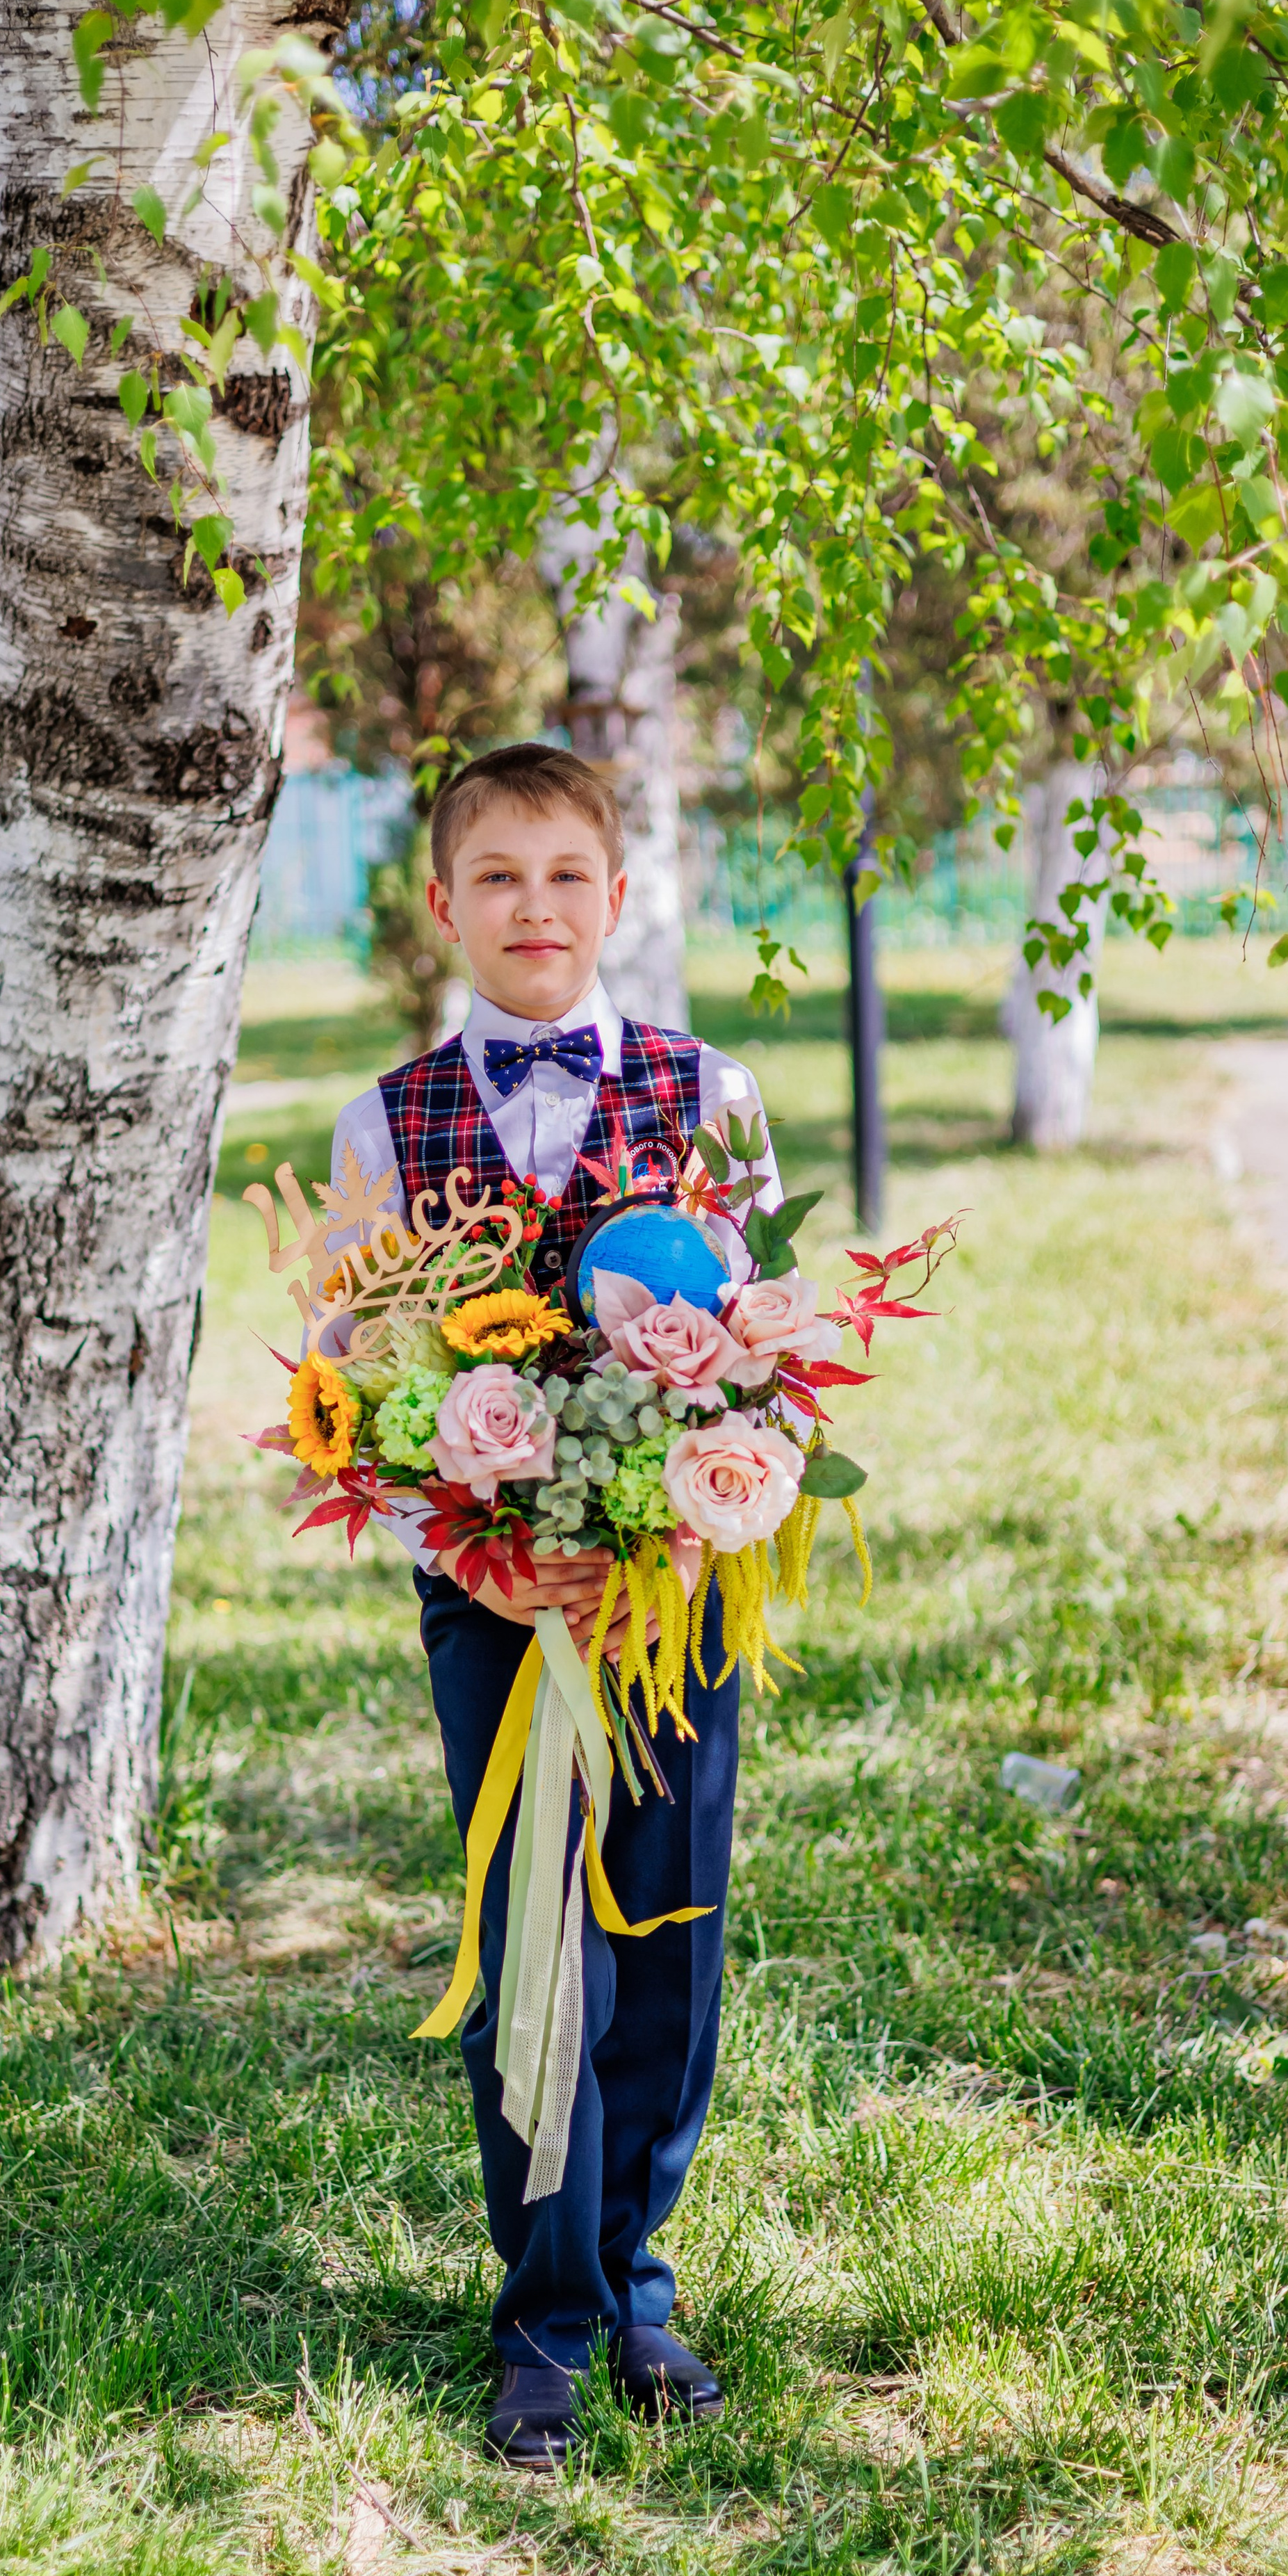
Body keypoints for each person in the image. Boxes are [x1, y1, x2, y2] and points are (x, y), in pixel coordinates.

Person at [329, 743, 778, 2469]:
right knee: (536, 1949)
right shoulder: (389, 1123)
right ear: (445, 906)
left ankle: (637, 2276)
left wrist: (671, 1520)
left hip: (672, 1598)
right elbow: (359, 1391)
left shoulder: (705, 1091)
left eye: (565, 876)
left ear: (615, 894)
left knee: (664, 1924)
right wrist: (490, 1551)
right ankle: (541, 2314)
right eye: (497, 879)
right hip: (499, 1606)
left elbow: (770, 1362)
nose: (534, 908)